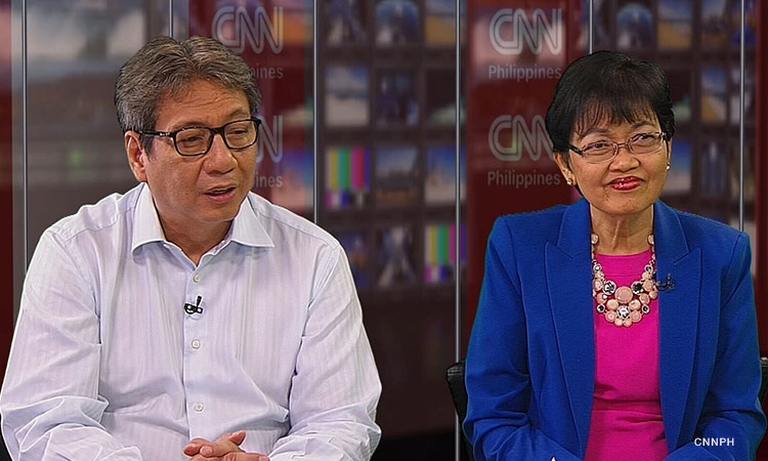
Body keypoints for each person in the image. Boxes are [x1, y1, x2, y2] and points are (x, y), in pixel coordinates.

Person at [0, 35, 381, 461]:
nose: (223, 160)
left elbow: (341, 422)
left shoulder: (315, 258)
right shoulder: (76, 252)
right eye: (193, 139)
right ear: (138, 155)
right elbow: (46, 422)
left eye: (238, 132)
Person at [463, 50, 766, 460]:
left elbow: (734, 420)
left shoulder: (722, 254)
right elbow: (493, 414)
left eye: (643, 138)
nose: (624, 161)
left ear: (668, 147)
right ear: (565, 164)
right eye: (599, 145)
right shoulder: (519, 248)